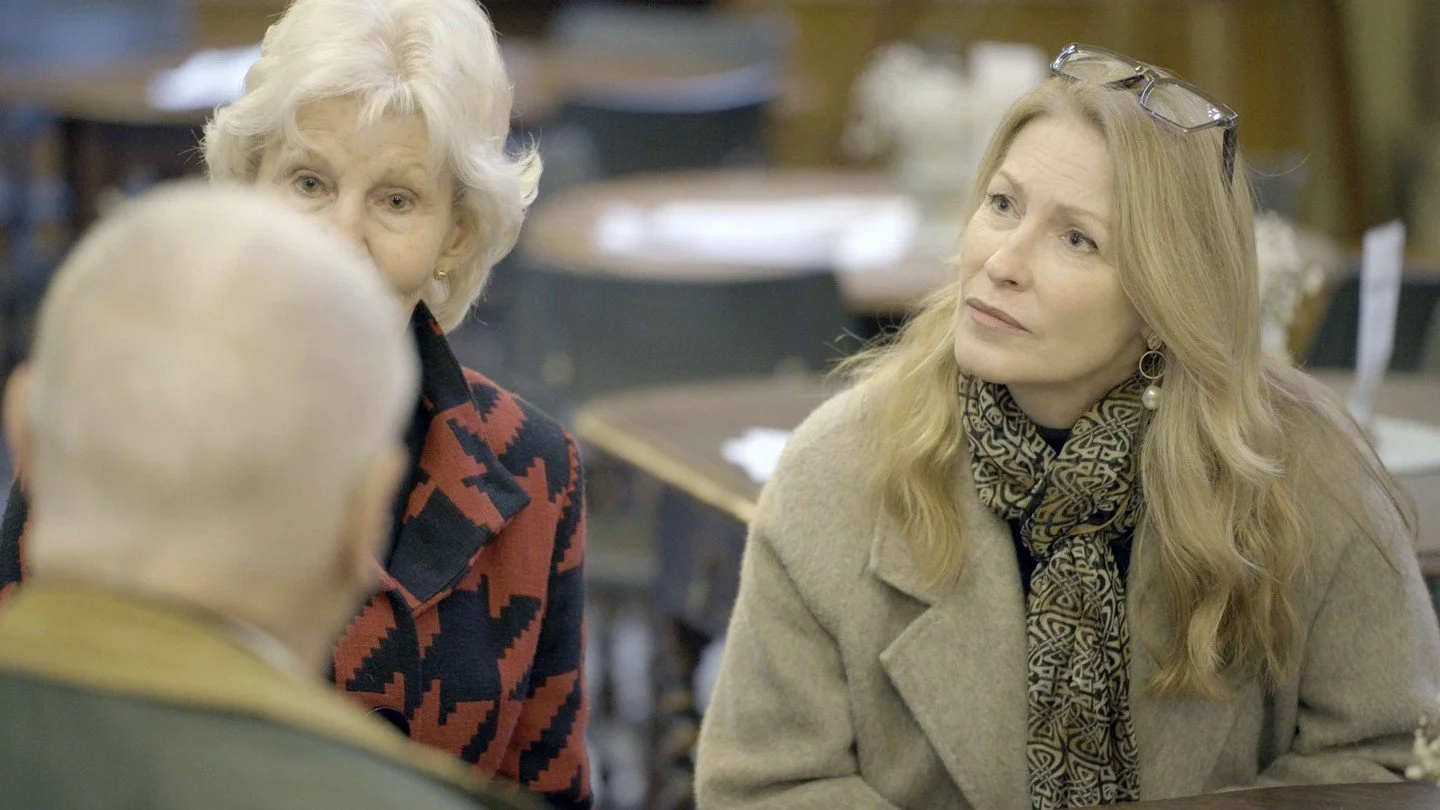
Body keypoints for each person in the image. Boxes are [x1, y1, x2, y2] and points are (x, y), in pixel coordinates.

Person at [694, 44, 1440, 809]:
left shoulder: (1312, 474)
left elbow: (1388, 765)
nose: (1003, 261)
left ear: (1164, 304)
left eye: (1077, 238)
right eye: (1003, 204)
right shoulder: (837, 469)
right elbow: (763, 785)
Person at [0, 1, 591, 806]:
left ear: (456, 234)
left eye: (396, 200)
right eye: (309, 182)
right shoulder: (119, 400)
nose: (337, 241)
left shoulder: (532, 468)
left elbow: (549, 792)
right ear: (247, 185)